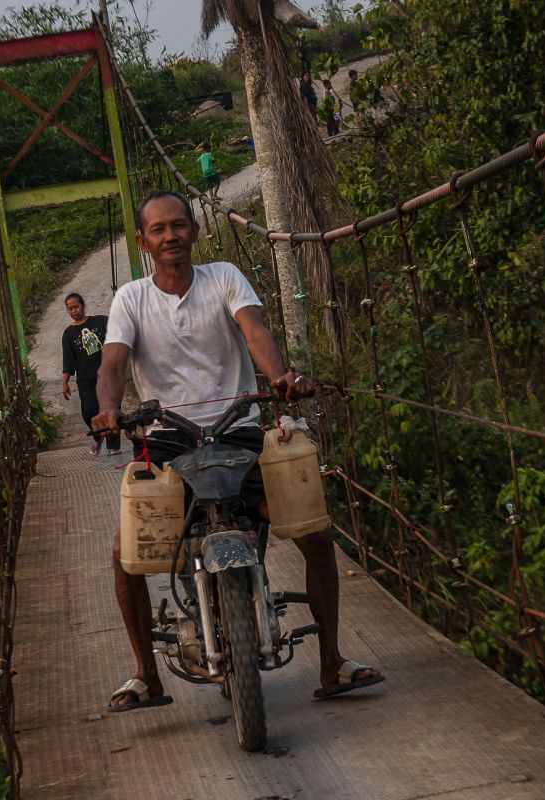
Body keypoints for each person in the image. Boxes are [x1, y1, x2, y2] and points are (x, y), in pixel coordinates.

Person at [92, 190, 383, 711]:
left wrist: (280, 377)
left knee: (316, 532)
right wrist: (109, 408)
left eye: (179, 225)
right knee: (123, 555)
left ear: (194, 233)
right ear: (143, 242)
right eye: (158, 229)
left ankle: (332, 661)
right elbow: (112, 363)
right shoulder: (130, 299)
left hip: (238, 433)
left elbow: (255, 332)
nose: (171, 236)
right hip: (167, 442)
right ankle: (145, 674)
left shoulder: (223, 276)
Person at [61, 292, 120, 456]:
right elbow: (68, 361)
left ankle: (113, 446)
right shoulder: (68, 334)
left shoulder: (101, 321)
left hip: (108, 374)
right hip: (86, 379)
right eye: (70, 309)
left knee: (112, 408)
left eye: (76, 306)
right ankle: (98, 435)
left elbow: (118, 332)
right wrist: (65, 383)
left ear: (83, 306)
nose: (74, 311)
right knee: (89, 410)